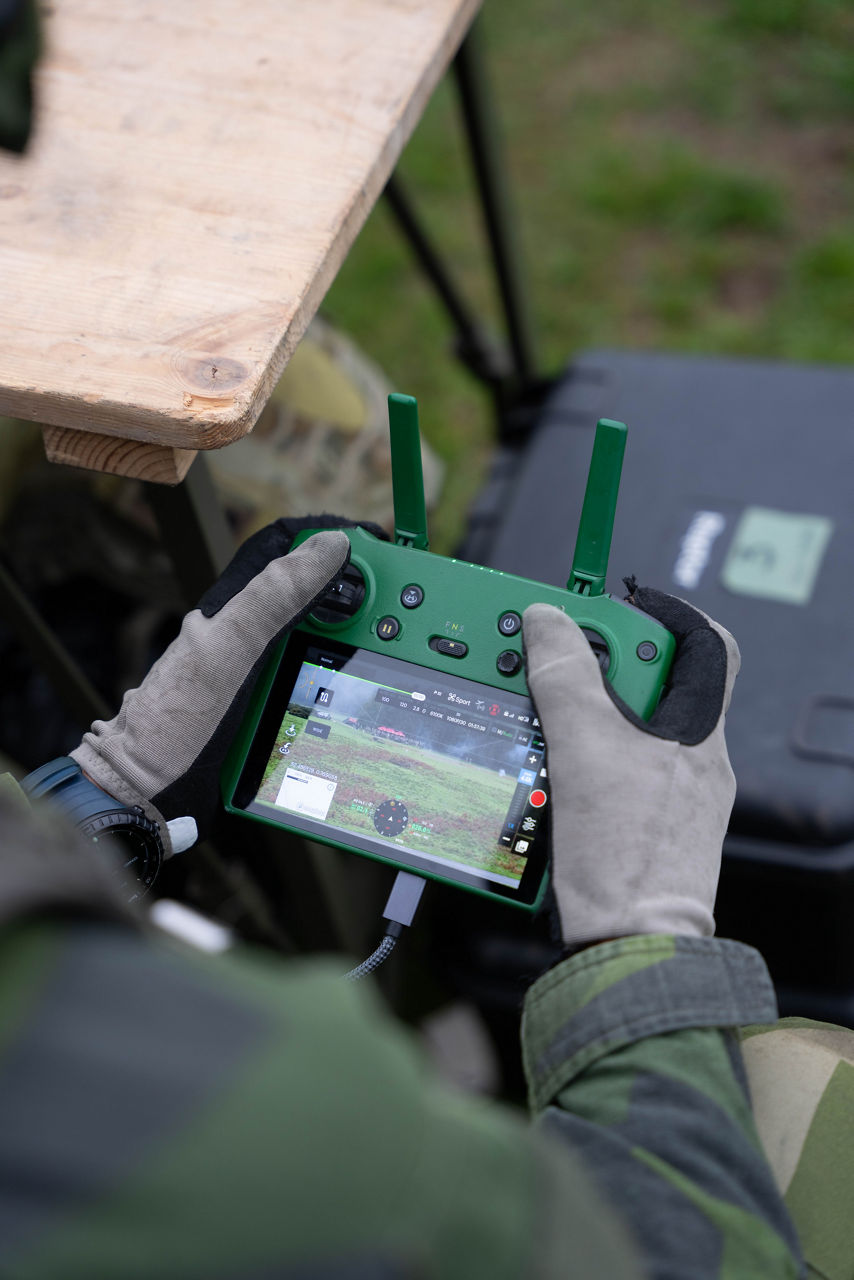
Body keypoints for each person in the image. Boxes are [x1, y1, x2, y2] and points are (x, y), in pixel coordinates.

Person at [0, 521, 811, 1278]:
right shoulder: (326, 1123)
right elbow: (668, 1251)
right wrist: (643, 935)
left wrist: (105, 800)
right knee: (803, 1081)